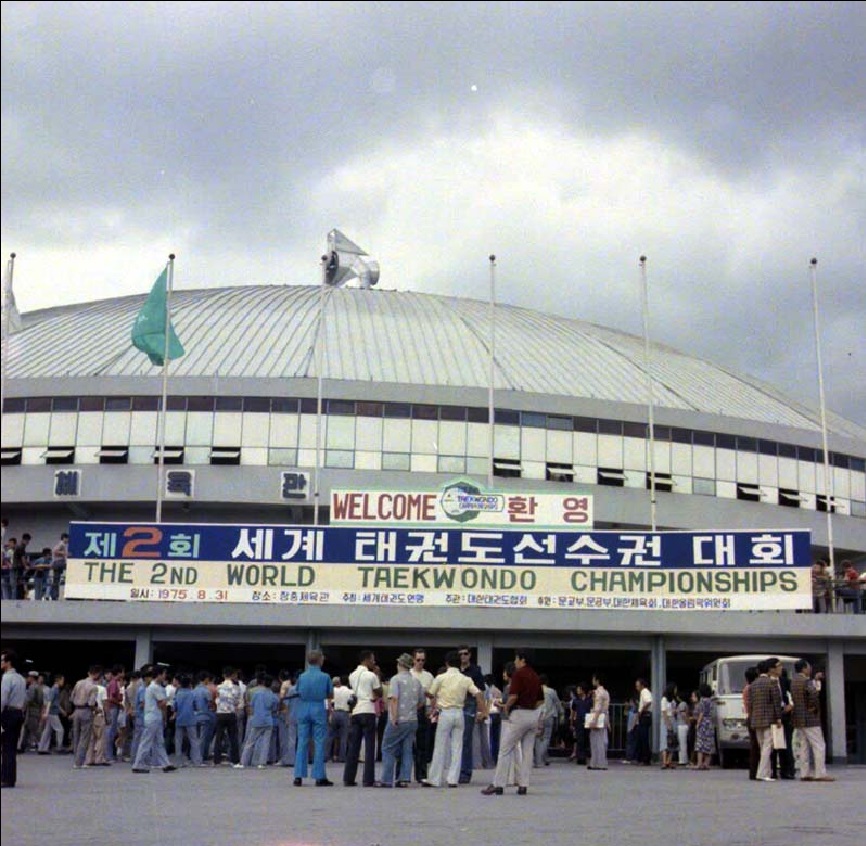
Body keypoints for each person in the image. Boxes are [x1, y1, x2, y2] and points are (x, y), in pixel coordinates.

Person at [481, 648, 543, 796]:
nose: (515, 662)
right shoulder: (535, 676)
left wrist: (507, 707)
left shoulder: (518, 674)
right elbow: (540, 700)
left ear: (522, 659)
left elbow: (513, 696)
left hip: (519, 714)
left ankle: (498, 784)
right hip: (533, 714)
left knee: (505, 748)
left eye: (516, 659)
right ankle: (523, 784)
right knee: (527, 751)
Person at [423, 650, 485, 788]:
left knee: (440, 746)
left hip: (445, 713)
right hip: (459, 713)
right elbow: (478, 693)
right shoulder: (466, 679)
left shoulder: (440, 677)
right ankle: (453, 779)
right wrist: (483, 710)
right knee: (457, 747)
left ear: (446, 663)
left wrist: (425, 692)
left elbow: (431, 694)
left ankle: (435, 778)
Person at [377, 653, 424, 788]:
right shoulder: (416, 681)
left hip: (399, 718)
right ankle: (404, 778)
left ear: (400, 665)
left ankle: (386, 779)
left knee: (387, 747)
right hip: (412, 719)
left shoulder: (395, 680)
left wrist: (394, 717)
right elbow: (421, 701)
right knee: (407, 748)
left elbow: (394, 699)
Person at [293, 649, 334, 786]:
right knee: (319, 742)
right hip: (318, 708)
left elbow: (297, 691)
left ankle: (298, 775)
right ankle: (319, 776)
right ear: (320, 660)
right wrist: (329, 713)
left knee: (302, 741)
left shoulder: (302, 676)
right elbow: (329, 695)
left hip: (303, 708)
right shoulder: (325, 677)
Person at [790, 659, 834, 782]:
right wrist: (813, 707)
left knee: (803, 745)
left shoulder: (794, 681)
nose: (810, 669)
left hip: (798, 718)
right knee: (818, 745)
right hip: (810, 718)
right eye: (808, 667)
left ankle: (804, 773)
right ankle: (820, 773)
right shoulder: (806, 681)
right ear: (804, 668)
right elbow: (813, 694)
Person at [343, 649, 381, 787]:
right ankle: (368, 779)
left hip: (356, 711)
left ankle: (349, 777)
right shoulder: (371, 675)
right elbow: (379, 692)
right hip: (368, 710)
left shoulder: (352, 675)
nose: (374, 662)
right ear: (367, 660)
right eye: (372, 659)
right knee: (370, 747)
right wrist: (377, 675)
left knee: (354, 745)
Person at [131, 664, 176, 773]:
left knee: (159, 741)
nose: (165, 676)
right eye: (164, 674)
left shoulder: (152, 687)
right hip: (153, 717)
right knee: (146, 741)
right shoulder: (155, 687)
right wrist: (170, 698)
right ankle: (138, 764)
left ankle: (165, 763)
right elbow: (161, 703)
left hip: (155, 717)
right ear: (159, 675)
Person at [749, 658, 783, 782]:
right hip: (768, 718)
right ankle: (762, 773)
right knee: (767, 746)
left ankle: (764, 772)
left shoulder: (753, 684)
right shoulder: (771, 683)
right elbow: (776, 701)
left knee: (762, 745)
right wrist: (779, 718)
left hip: (756, 719)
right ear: (769, 670)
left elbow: (750, 703)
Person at [457, 644, 487, 783]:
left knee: (466, 740)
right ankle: (456, 770)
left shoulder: (475, 670)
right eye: (461, 654)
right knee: (455, 740)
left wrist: (481, 710)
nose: (463, 656)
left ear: (470, 655)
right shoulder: (455, 670)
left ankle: (465, 772)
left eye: (465, 653)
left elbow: (480, 691)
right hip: (456, 704)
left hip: (469, 704)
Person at [1, 648, 27, 788]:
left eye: (2, 660)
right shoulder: (21, 679)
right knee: (11, 746)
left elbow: (3, 698)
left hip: (8, 713)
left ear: (8, 663)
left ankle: (6, 778)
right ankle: (10, 777)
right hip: (18, 713)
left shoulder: (6, 678)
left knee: (6, 747)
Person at [70, 664, 101, 769]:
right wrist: (96, 710)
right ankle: (79, 762)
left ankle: (75, 759)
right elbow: (92, 703)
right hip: (86, 711)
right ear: (97, 674)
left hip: (77, 710)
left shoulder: (78, 683)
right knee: (85, 737)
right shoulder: (93, 687)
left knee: (76, 736)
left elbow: (72, 697)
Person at [410, 648, 434, 781]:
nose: (420, 663)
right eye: (418, 660)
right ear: (413, 660)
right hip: (409, 710)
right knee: (408, 744)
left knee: (423, 744)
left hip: (423, 711)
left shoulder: (429, 676)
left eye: (423, 660)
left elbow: (433, 694)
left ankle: (421, 774)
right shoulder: (408, 674)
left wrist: (431, 710)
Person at [213, 666, 241, 767]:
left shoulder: (218, 687)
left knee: (219, 737)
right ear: (233, 675)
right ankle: (235, 760)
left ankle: (217, 760)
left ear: (223, 675)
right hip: (231, 713)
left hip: (220, 713)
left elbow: (216, 699)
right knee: (233, 737)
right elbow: (237, 702)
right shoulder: (236, 688)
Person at [534, 674, 563, 767]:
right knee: (546, 738)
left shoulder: (536, 690)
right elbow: (558, 703)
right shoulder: (551, 691)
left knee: (537, 738)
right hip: (548, 717)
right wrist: (561, 712)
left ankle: (538, 759)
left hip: (537, 716)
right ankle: (540, 759)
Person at [38, 673, 66, 754]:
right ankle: (59, 747)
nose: (63, 682)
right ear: (59, 680)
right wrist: (46, 712)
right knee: (60, 730)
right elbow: (50, 701)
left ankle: (42, 748)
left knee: (47, 731)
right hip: (52, 713)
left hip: (52, 711)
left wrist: (61, 711)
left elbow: (55, 702)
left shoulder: (55, 689)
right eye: (62, 680)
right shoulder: (54, 689)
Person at [587, 672, 609, 770]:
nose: (592, 681)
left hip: (598, 716)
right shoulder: (606, 692)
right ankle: (601, 762)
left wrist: (594, 719)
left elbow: (598, 707)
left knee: (595, 740)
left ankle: (596, 763)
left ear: (597, 680)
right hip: (604, 716)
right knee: (601, 740)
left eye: (593, 679)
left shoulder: (598, 692)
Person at [742, 666, 760, 780]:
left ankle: (753, 772)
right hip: (754, 717)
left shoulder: (746, 688)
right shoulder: (752, 688)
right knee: (756, 745)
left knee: (754, 745)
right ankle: (755, 772)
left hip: (750, 716)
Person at [328, 675, 351, 763]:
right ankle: (342, 757)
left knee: (330, 736)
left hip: (335, 713)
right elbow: (351, 702)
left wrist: (330, 713)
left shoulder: (333, 690)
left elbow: (330, 702)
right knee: (344, 737)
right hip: (344, 713)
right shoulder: (349, 691)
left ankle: (328, 756)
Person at [693, 684, 716, 770]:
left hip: (703, 723)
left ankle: (699, 764)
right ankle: (707, 763)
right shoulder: (711, 700)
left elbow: (701, 713)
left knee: (700, 744)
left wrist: (698, 724)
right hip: (710, 723)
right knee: (708, 743)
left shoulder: (702, 700)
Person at [660, 682, 679, 769]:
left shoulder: (674, 701)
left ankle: (669, 761)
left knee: (673, 741)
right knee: (665, 740)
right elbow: (664, 712)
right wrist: (668, 724)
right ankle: (664, 761)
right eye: (675, 689)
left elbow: (674, 710)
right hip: (665, 720)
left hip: (673, 719)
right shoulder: (664, 699)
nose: (676, 691)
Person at [635, 677, 652, 765]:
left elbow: (648, 701)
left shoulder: (644, 691)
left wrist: (641, 710)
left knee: (643, 737)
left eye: (637, 686)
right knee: (642, 737)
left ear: (641, 685)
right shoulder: (645, 692)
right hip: (645, 716)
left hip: (645, 715)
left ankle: (646, 758)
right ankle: (643, 757)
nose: (636, 688)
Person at [50, 532, 68, 600]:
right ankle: (54, 595)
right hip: (59, 562)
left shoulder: (61, 544)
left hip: (57, 562)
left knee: (56, 580)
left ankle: (55, 595)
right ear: (64, 538)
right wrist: (65, 553)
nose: (67, 540)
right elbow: (55, 551)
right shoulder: (61, 544)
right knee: (56, 580)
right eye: (67, 539)